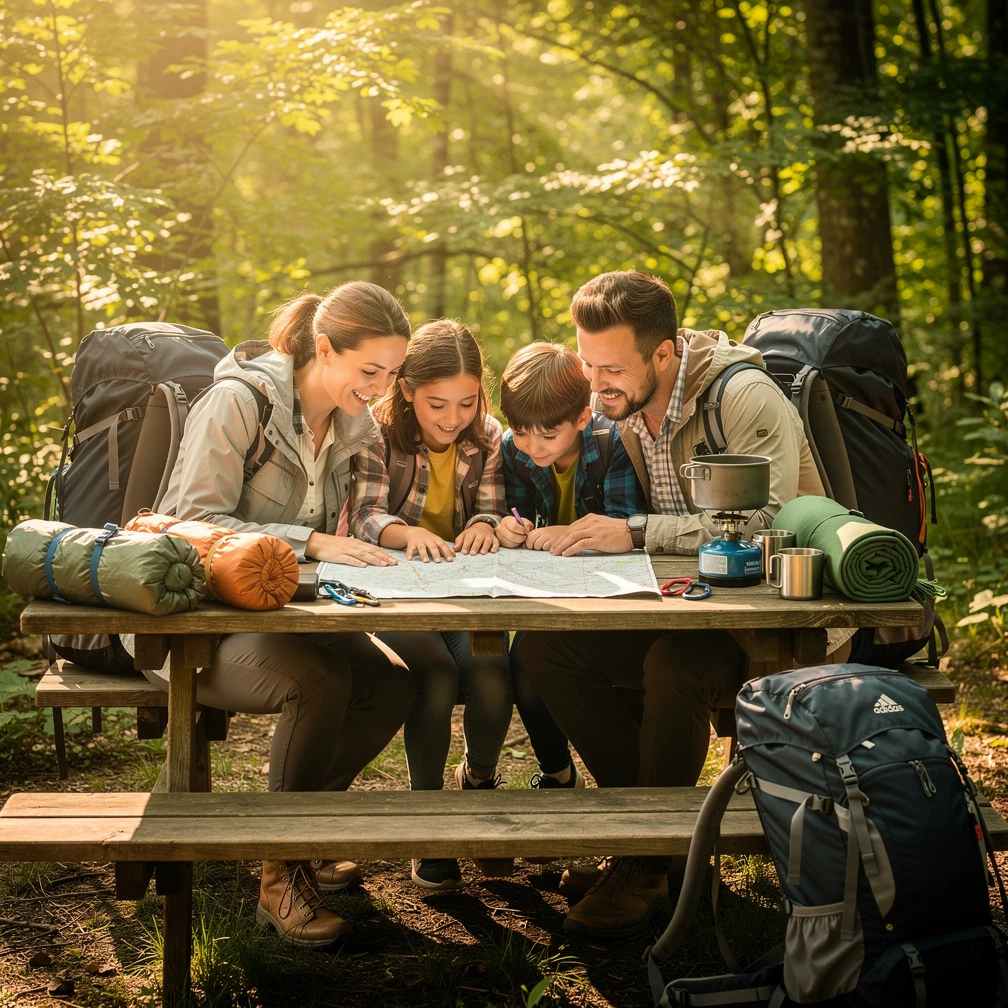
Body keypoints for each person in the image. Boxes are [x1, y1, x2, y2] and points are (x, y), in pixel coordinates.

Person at [516, 270, 839, 939]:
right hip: (691, 605)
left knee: (674, 665)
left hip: (774, 620)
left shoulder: (741, 397)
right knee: (547, 648)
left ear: (664, 354)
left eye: (612, 368)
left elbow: (765, 523)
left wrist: (634, 532)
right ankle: (654, 840)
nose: (595, 383)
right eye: (587, 363)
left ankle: (644, 863)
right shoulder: (628, 409)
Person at [136, 282, 416, 947]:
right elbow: (191, 522)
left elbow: (350, 525)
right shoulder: (239, 402)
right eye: (369, 370)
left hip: (272, 609)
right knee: (317, 680)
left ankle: (303, 831)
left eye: (392, 373)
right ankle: (280, 873)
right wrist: (312, 542)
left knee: (391, 682)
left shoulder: (352, 424)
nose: (380, 388)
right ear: (325, 348)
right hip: (188, 621)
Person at [348, 319, 512, 891]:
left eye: (465, 403)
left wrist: (486, 524)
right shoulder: (374, 433)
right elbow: (365, 514)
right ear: (407, 389)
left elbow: (492, 505)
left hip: (464, 588)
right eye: (437, 404)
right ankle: (430, 817)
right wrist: (407, 533)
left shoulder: (486, 436)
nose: (451, 418)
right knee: (436, 676)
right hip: (395, 588)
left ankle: (480, 783)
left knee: (491, 670)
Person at [495, 341, 646, 792]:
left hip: (611, 592)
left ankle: (636, 776)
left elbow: (625, 526)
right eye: (521, 432)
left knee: (622, 680)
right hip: (548, 591)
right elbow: (514, 512)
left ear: (581, 418)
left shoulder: (612, 442)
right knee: (522, 663)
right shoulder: (514, 451)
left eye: (547, 435)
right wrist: (509, 528)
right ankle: (557, 771)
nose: (533, 446)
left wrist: (568, 532)